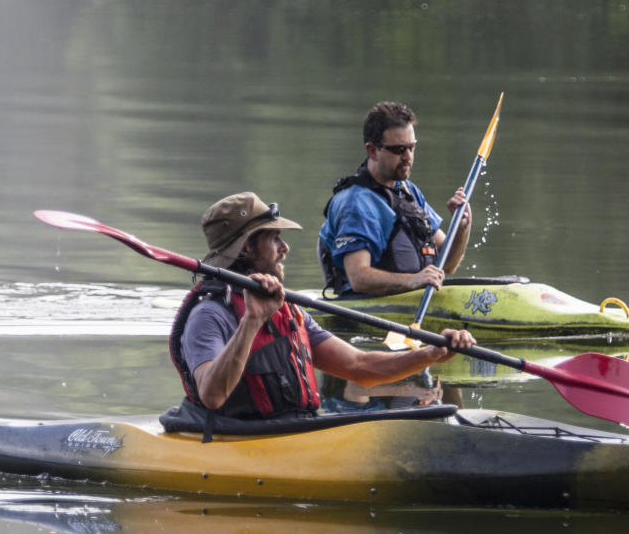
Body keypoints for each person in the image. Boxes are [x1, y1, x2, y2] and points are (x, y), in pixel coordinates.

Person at [167, 191, 475, 432]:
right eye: (274, 238)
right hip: (239, 438)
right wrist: (252, 321)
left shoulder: (288, 310)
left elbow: (359, 366)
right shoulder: (209, 315)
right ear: (246, 249)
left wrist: (432, 353)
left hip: (295, 430)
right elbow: (212, 395)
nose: (285, 248)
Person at [318, 101, 473, 297]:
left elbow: (448, 264)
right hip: (368, 311)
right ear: (373, 151)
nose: (408, 157)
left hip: (411, 302)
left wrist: (462, 227)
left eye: (412, 147)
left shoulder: (408, 191)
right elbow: (358, 277)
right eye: (399, 150)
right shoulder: (356, 204)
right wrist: (413, 280)